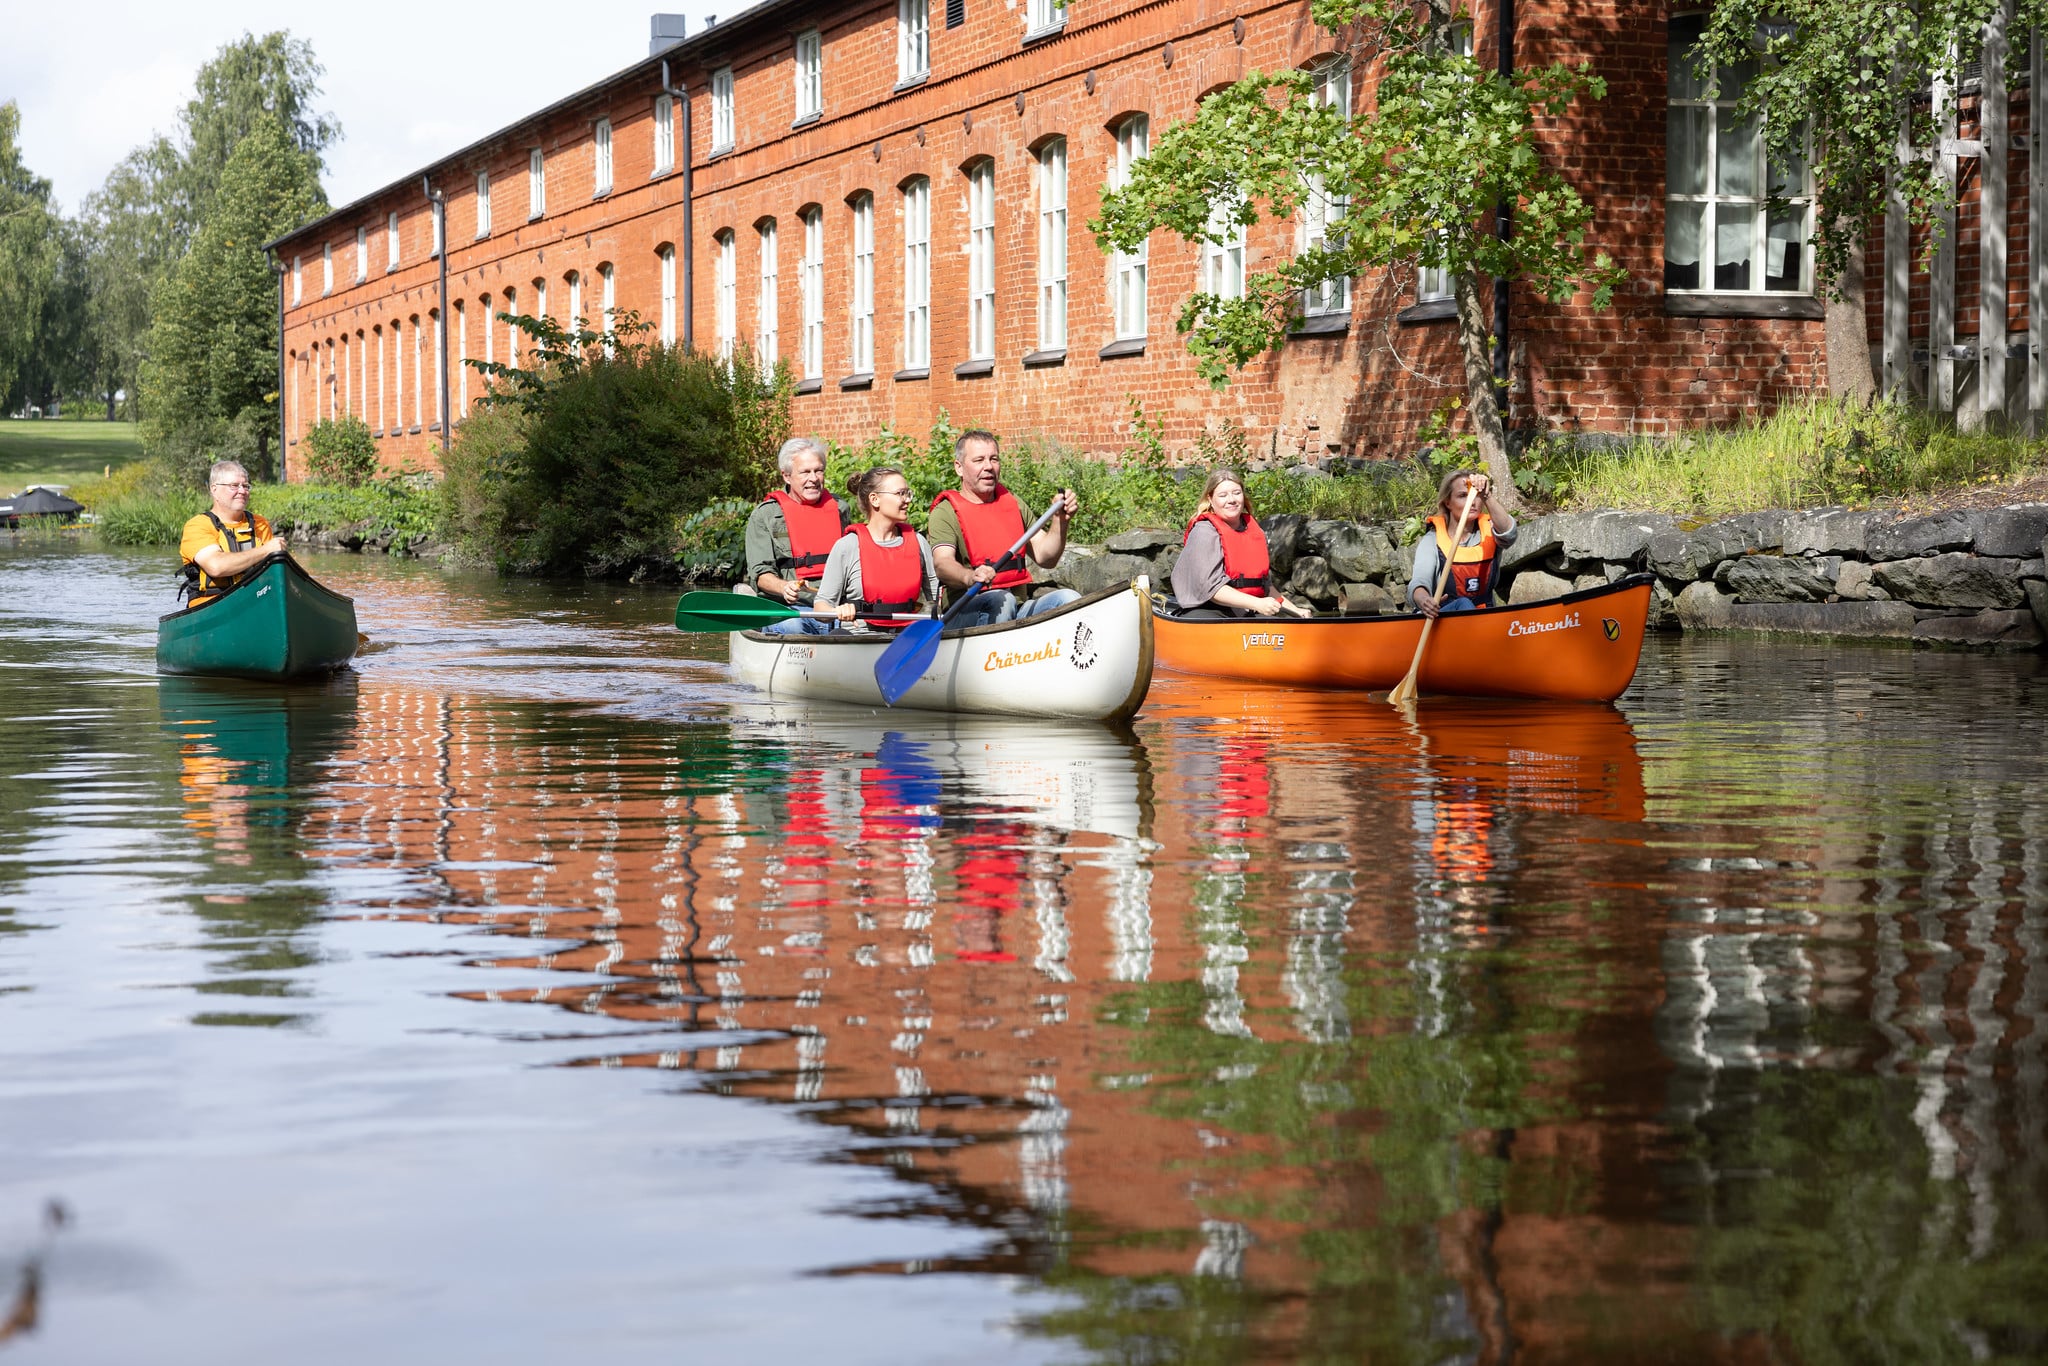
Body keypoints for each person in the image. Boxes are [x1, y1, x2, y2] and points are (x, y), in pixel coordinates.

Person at [927, 430, 1081, 628]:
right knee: (1001, 600)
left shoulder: (1013, 504)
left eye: (994, 459)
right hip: (966, 613)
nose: (988, 467)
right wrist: (969, 576)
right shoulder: (945, 512)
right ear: (959, 467)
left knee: (1069, 598)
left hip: (1018, 610)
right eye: (979, 460)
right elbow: (942, 563)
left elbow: (1046, 557)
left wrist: (1061, 521)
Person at [1169, 468, 1312, 619]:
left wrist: (1296, 610)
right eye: (1223, 495)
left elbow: (1265, 587)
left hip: (1245, 609)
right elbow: (1212, 589)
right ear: (1210, 499)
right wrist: (1257, 604)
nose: (1231, 499)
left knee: (1281, 624)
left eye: (1236, 493)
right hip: (1208, 609)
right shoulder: (1204, 531)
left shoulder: (1253, 529)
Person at [744, 436, 849, 635]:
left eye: (818, 471)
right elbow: (761, 574)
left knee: (859, 627)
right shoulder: (765, 515)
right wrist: (784, 587)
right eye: (805, 472)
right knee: (793, 626)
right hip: (790, 610)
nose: (814, 479)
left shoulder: (840, 509)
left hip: (835, 608)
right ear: (786, 476)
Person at [813, 467, 941, 630]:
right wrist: (837, 610)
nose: (908, 500)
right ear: (875, 499)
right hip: (859, 638)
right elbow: (820, 607)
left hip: (906, 638)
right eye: (901, 493)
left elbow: (939, 599)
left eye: (908, 493)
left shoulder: (918, 542)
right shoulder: (847, 546)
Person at [1407, 470, 1518, 618]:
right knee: (1463, 603)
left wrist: (1486, 495)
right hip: (1443, 617)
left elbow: (1509, 533)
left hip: (1483, 618)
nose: (1472, 502)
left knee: (1469, 607)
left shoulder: (1490, 531)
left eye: (1476, 495)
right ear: (1448, 503)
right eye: (1462, 496)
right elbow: (1420, 582)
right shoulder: (1432, 540)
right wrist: (1424, 600)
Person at [178, 459, 287, 609]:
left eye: (246, 486)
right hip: (212, 607)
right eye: (234, 486)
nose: (242, 491)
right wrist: (266, 550)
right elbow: (216, 566)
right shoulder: (197, 525)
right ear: (214, 489)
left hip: (256, 601)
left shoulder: (260, 523)